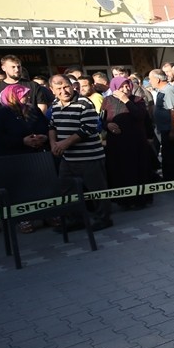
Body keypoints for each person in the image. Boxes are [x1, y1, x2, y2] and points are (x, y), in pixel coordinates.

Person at [47, 74, 113, 231]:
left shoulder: (84, 103)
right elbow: (52, 126)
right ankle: (75, 219)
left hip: (90, 157)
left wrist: (65, 143)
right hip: (68, 158)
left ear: (71, 85)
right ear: (52, 90)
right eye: (59, 88)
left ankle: (104, 218)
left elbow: (88, 128)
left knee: (97, 189)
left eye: (66, 86)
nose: (64, 91)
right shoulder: (55, 105)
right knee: (67, 189)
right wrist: (53, 144)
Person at [101, 77, 155, 211]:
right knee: (120, 171)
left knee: (138, 170)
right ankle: (125, 200)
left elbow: (139, 116)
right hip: (117, 143)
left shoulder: (137, 100)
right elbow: (101, 119)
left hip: (136, 142)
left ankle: (140, 199)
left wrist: (126, 100)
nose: (125, 90)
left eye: (127, 86)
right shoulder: (107, 101)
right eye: (122, 87)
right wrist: (108, 125)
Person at [0, 83, 50, 157]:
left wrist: (44, 137)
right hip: (13, 157)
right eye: (24, 95)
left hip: (38, 154)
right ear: (13, 96)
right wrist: (22, 141)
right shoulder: (1, 114)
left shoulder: (34, 110)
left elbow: (46, 127)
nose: (28, 97)